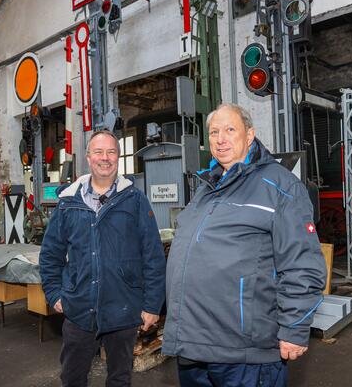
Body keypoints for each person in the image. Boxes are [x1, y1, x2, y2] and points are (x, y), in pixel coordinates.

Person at [162, 103, 327, 387]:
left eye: (230, 130)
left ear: (249, 135)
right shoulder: (205, 189)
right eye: (214, 132)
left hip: (245, 353)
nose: (220, 138)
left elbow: (302, 263)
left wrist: (295, 327)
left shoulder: (279, 186)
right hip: (193, 346)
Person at [39, 130, 166, 387]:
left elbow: (153, 255)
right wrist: (54, 293)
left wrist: (152, 305)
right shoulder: (68, 203)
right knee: (72, 377)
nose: (105, 158)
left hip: (123, 308)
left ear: (118, 158)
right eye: (99, 152)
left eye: (111, 152)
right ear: (88, 157)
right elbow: (50, 254)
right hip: (78, 307)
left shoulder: (135, 200)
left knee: (119, 379)